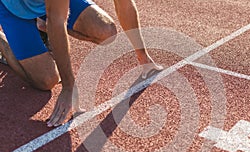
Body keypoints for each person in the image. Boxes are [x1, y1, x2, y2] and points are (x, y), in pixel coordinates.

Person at [0, 0, 163, 127]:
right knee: (46, 80)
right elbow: (57, 21)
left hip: (48, 6)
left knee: (107, 32)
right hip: (13, 10)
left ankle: (40, 24)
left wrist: (143, 56)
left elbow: (124, 4)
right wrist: (68, 86)